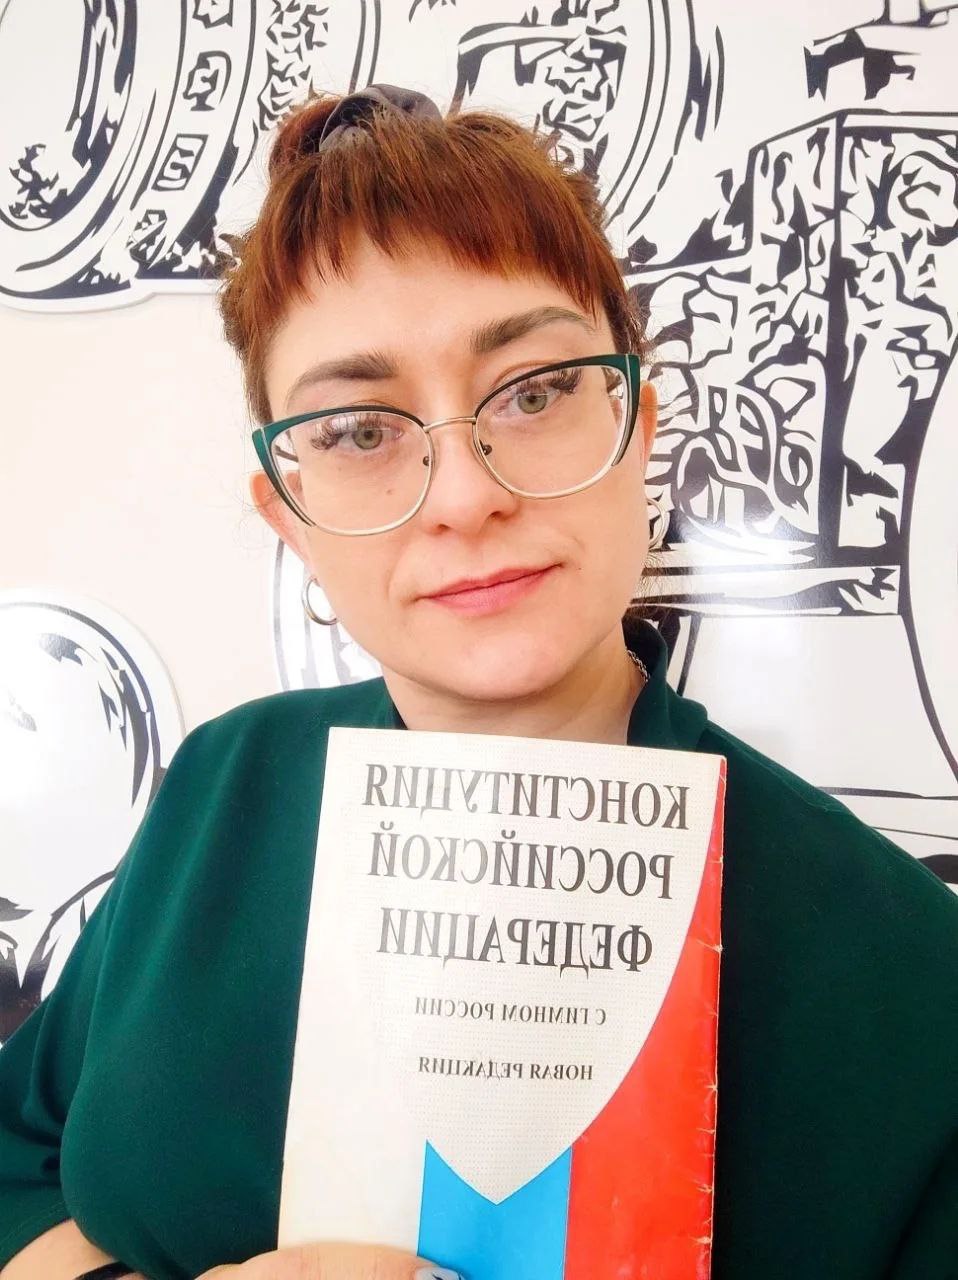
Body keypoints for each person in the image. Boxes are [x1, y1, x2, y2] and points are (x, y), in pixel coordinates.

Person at [1, 83, 957, 1280]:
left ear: (637, 421)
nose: (465, 495)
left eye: (535, 389)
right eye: (359, 430)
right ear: (289, 514)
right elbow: (18, 1154)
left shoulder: (909, 974)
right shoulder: (221, 786)